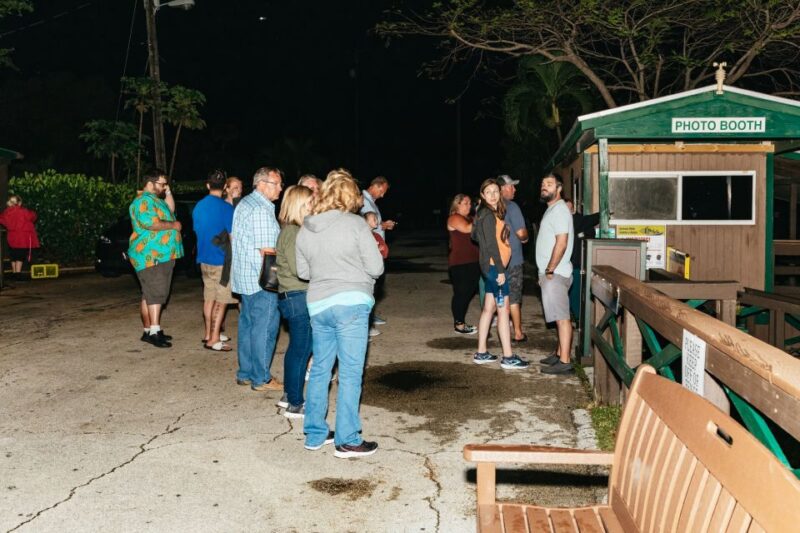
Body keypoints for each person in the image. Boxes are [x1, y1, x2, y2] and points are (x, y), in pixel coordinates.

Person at [296, 169, 384, 458]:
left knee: (321, 369)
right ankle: (347, 439)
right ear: (350, 196)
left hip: (319, 305)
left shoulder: (306, 227)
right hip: (351, 304)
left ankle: (314, 434)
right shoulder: (355, 225)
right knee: (349, 372)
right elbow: (376, 268)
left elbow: (303, 272)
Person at [231, 167, 284, 391]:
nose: (281, 188)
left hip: (245, 278)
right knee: (265, 328)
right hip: (262, 280)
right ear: (262, 184)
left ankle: (245, 372)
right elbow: (268, 251)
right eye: (277, 183)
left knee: (248, 326)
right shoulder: (262, 209)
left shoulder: (245, 203)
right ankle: (261, 378)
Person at [471, 179, 529, 370]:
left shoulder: (485, 213)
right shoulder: (487, 214)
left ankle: (481, 352)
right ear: (482, 195)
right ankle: (508, 356)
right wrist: (501, 270)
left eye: (496, 191)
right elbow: (490, 245)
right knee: (503, 311)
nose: (493, 195)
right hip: (496, 269)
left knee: (489, 308)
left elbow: (474, 236)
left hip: (490, 268)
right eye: (488, 192)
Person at [127, 170, 184, 348]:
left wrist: (167, 192)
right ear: (150, 184)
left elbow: (171, 209)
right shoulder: (143, 201)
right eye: (161, 184)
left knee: (149, 294)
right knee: (157, 294)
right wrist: (174, 225)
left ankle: (148, 331)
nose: (163, 186)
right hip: (152, 256)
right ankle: (154, 331)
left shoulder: (156, 201)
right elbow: (151, 224)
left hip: (160, 255)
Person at [275, 185, 314, 418]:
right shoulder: (294, 232)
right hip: (298, 296)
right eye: (309, 203)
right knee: (302, 350)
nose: (313, 207)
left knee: (297, 349)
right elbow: (302, 270)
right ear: (299, 205)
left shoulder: (291, 230)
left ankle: (290, 395)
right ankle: (296, 403)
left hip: (293, 295)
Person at [193, 169, 236, 351]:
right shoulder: (227, 208)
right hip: (221, 260)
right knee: (222, 299)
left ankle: (208, 333)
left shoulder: (198, 206)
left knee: (209, 297)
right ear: (225, 186)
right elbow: (233, 236)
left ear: (208, 185)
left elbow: (198, 230)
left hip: (204, 258)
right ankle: (214, 339)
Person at [536, 174, 575, 375]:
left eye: (549, 184)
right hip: (551, 273)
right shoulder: (552, 209)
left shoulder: (559, 210)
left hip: (556, 273)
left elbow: (562, 242)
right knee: (559, 316)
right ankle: (559, 353)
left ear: (559, 188)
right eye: (543, 184)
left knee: (562, 318)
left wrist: (550, 268)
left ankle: (565, 362)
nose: (544, 187)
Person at [360, 176, 396, 335]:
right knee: (369, 284)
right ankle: (366, 323)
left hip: (376, 247)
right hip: (369, 248)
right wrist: (382, 225)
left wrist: (382, 225)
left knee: (375, 284)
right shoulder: (363, 200)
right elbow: (364, 223)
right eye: (382, 191)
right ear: (376, 185)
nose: (383, 195)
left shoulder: (370, 201)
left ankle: (371, 316)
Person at [497, 175, 530, 344]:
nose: (514, 189)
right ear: (502, 188)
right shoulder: (512, 207)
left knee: (499, 295)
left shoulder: (490, 207)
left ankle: (501, 326)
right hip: (513, 259)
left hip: (495, 259)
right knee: (514, 296)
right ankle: (517, 333)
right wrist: (525, 239)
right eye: (511, 186)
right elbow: (522, 233)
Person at [447, 193, 479, 334]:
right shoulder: (454, 218)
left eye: (470, 203)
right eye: (465, 203)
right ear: (457, 204)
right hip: (460, 263)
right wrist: (481, 213)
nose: (469, 205)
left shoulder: (471, 218)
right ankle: (459, 324)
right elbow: (467, 228)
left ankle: (460, 322)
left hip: (474, 261)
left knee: (469, 291)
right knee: (461, 293)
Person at [565, 199, 600, 321]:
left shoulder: (577, 219)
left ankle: (578, 317)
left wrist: (580, 234)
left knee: (576, 292)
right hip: (564, 264)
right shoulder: (563, 221)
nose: (568, 212)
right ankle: (573, 315)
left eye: (570, 209)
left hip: (577, 263)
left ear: (574, 209)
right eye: (566, 209)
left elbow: (590, 232)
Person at [0, 195, 40, 281]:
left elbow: (2, 220)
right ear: (19, 203)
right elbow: (33, 216)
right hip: (22, 238)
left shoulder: (6, 213)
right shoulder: (23, 211)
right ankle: (18, 274)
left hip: (11, 237)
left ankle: (14, 273)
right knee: (20, 256)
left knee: (13, 255)